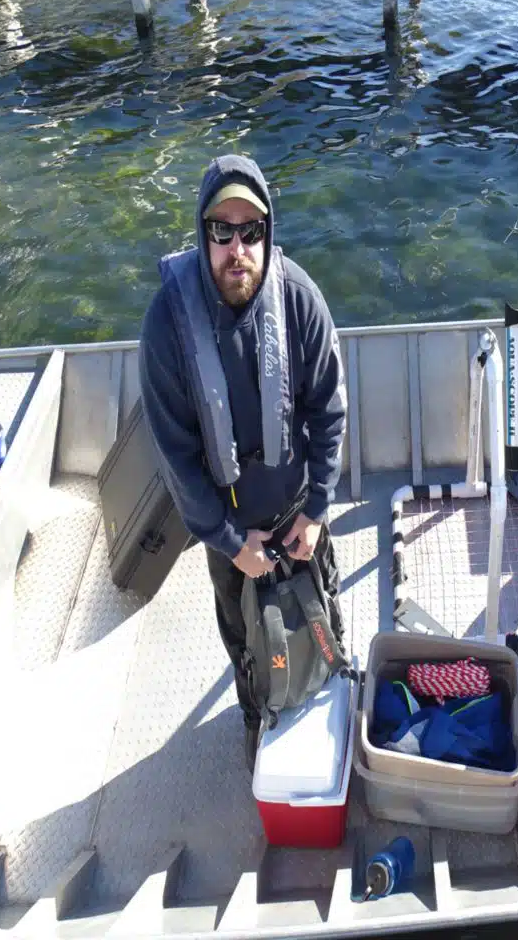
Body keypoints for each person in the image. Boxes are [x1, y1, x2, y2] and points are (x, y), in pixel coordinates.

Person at [138, 154, 348, 771]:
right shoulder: (166, 327)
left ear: (266, 233)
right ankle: (258, 715)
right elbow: (178, 458)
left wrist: (316, 511)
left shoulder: (300, 300)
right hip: (228, 527)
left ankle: (332, 695)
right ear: (202, 235)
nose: (237, 249)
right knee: (247, 642)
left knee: (324, 615)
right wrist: (230, 543)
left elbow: (329, 409)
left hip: (298, 511)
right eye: (221, 231)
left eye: (250, 231)